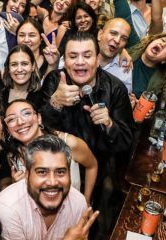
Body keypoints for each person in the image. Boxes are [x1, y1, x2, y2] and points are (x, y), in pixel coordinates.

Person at [39, 31, 134, 161]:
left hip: (97, 166)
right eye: (73, 56)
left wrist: (109, 124)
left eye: (87, 56)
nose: (80, 62)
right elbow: (39, 128)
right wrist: (55, 103)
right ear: (64, 61)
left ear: (97, 59)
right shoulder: (54, 80)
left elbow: (126, 142)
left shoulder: (115, 88)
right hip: (57, 161)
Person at [3, 100, 98, 203]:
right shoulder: (13, 155)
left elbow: (92, 166)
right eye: (11, 119)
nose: (20, 122)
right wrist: (16, 185)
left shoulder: (68, 143)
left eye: (26, 113)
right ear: (8, 130)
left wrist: (86, 201)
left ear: (39, 118)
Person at [131, 33, 166, 97]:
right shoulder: (132, 45)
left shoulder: (157, 84)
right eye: (163, 40)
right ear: (152, 40)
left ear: (165, 60)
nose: (163, 44)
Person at [0, 45, 45, 110]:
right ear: (8, 68)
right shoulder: (0, 92)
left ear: (33, 66)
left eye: (24, 64)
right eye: (14, 64)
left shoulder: (42, 97)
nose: (19, 69)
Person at [97, 18, 133, 93]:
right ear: (100, 34)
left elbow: (125, 96)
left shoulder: (125, 68)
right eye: (113, 33)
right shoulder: (82, 54)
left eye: (124, 38)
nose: (117, 40)